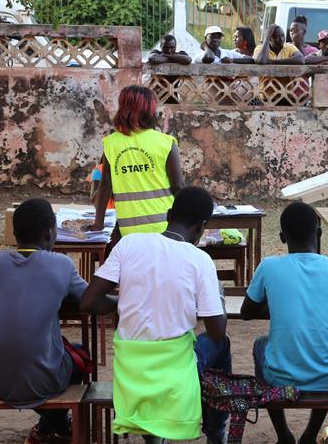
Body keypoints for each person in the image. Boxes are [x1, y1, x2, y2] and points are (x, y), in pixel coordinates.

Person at [81, 187, 231, 444]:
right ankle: (216, 432)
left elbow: (89, 301)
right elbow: (217, 331)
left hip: (131, 370)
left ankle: (153, 433)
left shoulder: (129, 244)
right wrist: (219, 296)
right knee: (221, 345)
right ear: (201, 227)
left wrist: (123, 303)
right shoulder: (200, 260)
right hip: (174, 368)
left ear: (169, 214)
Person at [0, 198, 90, 444]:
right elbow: (90, 300)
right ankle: (52, 425)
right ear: (50, 233)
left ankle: (53, 426)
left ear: (15, 234)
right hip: (42, 384)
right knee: (79, 356)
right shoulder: (61, 264)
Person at [241, 202, 328, 444]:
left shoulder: (269, 266)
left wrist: (281, 303)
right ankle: (311, 435)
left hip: (280, 377)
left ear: (282, 237)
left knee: (261, 344)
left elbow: (247, 311)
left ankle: (283, 435)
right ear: (319, 233)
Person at [89, 85, 184, 240]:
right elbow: (178, 187)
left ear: (123, 108)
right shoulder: (166, 143)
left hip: (129, 229)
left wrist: (98, 224)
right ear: (150, 110)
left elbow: (105, 184)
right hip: (165, 225)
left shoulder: (111, 143)